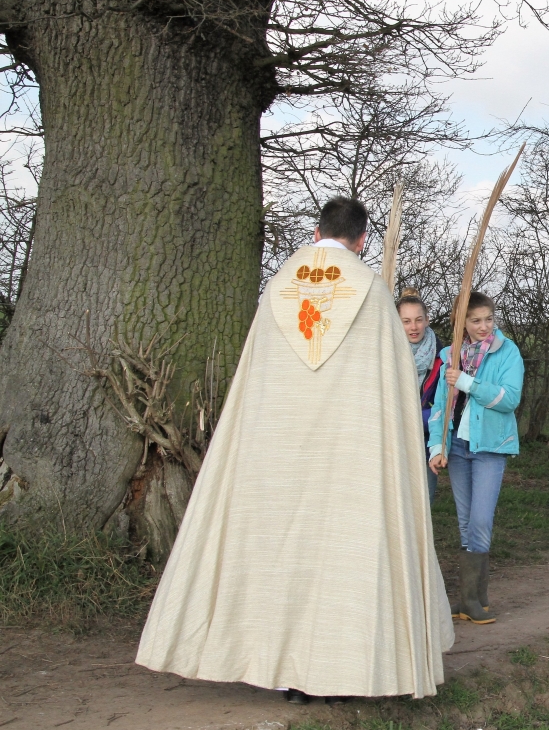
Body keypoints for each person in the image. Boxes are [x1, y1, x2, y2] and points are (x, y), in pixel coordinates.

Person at [136, 197, 453, 704]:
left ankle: (283, 672)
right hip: (351, 454)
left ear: (315, 231)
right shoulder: (372, 292)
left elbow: (255, 381)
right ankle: (343, 671)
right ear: (363, 239)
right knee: (343, 554)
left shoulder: (277, 289)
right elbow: (393, 388)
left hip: (277, 456)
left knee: (282, 550)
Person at [428, 292, 524, 624]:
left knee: (481, 521)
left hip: (490, 448)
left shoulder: (507, 351)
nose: (484, 327)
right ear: (461, 322)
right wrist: (436, 447)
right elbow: (441, 407)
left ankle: (472, 598)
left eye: (488, 319)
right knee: (466, 522)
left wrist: (467, 382)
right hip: (455, 447)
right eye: (475, 320)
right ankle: (473, 599)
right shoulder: (449, 355)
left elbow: (509, 399)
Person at [399, 290, 443, 502]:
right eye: (406, 321)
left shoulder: (442, 358)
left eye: (418, 320)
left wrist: (414, 418)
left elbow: (444, 406)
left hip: (425, 439)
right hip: (393, 439)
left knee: (423, 501)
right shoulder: (385, 354)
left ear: (427, 320)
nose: (413, 327)